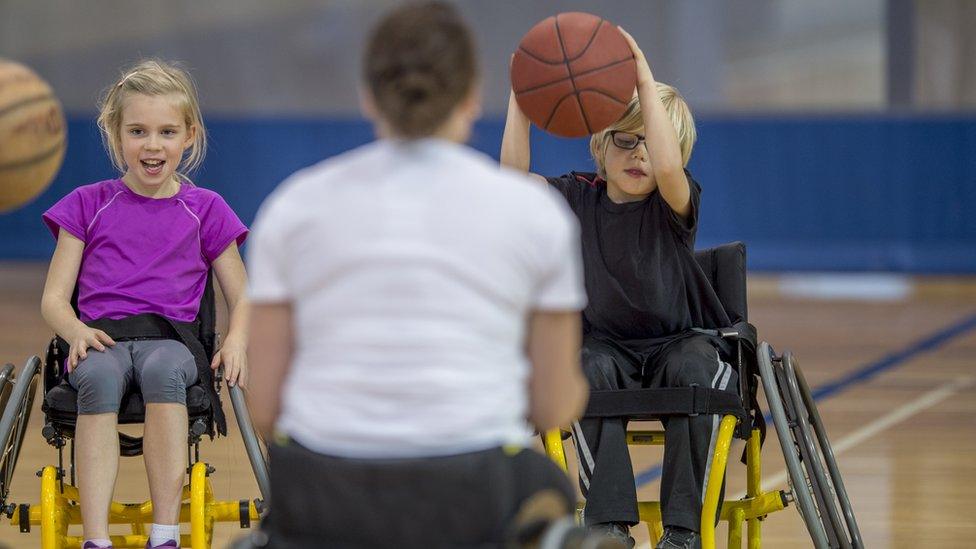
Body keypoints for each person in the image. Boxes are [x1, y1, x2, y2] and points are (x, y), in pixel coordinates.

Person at [245, 2, 591, 547]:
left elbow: (264, 405)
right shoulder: (534, 214)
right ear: (473, 96)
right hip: (475, 489)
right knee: (550, 490)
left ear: (368, 95)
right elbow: (551, 406)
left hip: (324, 489)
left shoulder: (294, 207)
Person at [500, 29, 738, 549]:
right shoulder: (575, 196)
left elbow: (669, 164)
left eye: (650, 143)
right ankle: (608, 525)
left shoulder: (672, 202)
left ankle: (683, 531)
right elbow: (511, 185)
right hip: (605, 347)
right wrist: (523, 101)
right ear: (600, 146)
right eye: (624, 140)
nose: (639, 155)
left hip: (681, 340)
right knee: (582, 369)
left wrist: (643, 78)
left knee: (698, 369)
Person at [40, 59, 249, 549]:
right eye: (137, 131)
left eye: (166, 131)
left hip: (169, 341)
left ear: (189, 135)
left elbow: (244, 296)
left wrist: (237, 340)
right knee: (96, 375)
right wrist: (73, 332)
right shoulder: (87, 204)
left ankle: (163, 534)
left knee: (164, 372)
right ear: (115, 135)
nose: (152, 145)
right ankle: (96, 539)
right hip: (101, 337)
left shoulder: (206, 209)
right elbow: (53, 298)